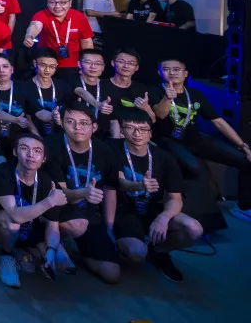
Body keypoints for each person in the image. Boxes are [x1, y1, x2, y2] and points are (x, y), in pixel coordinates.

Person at [150, 57, 251, 222]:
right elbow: (160, 114)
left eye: (176, 69)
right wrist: (167, 98)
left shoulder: (195, 94)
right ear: (159, 73)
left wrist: (243, 146)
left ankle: (243, 207)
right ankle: (189, 213)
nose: (172, 73)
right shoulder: (154, 91)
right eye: (166, 69)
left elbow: (218, 122)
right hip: (167, 140)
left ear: (185, 74)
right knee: (193, 166)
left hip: (195, 139)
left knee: (245, 161)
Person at [114, 111, 204, 282]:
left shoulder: (165, 158)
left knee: (194, 229)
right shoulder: (113, 149)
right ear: (122, 131)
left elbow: (175, 198)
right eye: (130, 128)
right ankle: (122, 246)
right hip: (122, 211)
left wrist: (163, 218)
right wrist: (139, 186)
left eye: (143, 129)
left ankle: (159, 252)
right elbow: (119, 182)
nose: (137, 134)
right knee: (136, 253)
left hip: (152, 207)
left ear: (150, 133)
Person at [43, 103, 121, 284]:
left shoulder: (106, 151)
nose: (77, 127)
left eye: (84, 123)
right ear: (62, 123)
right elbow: (61, 194)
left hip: (90, 211)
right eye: (70, 122)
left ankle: (78, 252)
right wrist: (83, 193)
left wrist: (109, 227)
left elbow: (110, 189)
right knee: (77, 224)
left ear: (94, 127)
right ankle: (44, 241)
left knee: (112, 274)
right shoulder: (52, 146)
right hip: (57, 208)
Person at [0, 133, 68, 288]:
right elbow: (15, 215)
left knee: (62, 262)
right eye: (24, 148)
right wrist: (50, 201)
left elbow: (53, 226)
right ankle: (6, 255)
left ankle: (25, 250)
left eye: (37, 151)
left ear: (44, 159)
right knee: (12, 223)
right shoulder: (3, 172)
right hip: (1, 225)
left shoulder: (49, 183)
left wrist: (51, 249)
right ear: (15, 152)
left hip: (32, 226)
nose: (31, 155)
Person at [23, 0, 94, 83]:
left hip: (71, 65)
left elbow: (86, 42)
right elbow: (35, 25)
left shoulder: (79, 17)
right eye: (52, 2)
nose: (57, 6)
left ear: (70, 3)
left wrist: (87, 64)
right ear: (47, 3)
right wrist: (29, 36)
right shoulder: (42, 14)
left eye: (62, 2)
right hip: (46, 65)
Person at [0, 53, 37, 162]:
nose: (1, 70)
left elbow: (32, 114)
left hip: (18, 136)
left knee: (24, 162)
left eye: (5, 66)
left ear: (12, 69)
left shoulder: (23, 88)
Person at [24, 48, 72, 137]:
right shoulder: (25, 86)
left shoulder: (63, 85)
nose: (47, 70)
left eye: (52, 66)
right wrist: (37, 138)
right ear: (35, 63)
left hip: (60, 134)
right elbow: (28, 118)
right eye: (43, 65)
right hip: (33, 135)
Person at [73, 50, 118, 138]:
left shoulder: (109, 86)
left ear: (103, 67)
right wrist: (98, 104)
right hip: (77, 133)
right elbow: (81, 91)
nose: (93, 66)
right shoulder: (72, 80)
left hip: (103, 136)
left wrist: (115, 140)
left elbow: (113, 120)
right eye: (88, 62)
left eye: (98, 63)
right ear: (79, 64)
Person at [105, 48, 152, 127]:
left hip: (133, 131)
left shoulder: (141, 88)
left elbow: (153, 120)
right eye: (121, 62)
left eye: (131, 63)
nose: (126, 66)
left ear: (137, 68)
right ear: (113, 63)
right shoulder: (101, 84)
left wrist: (146, 108)